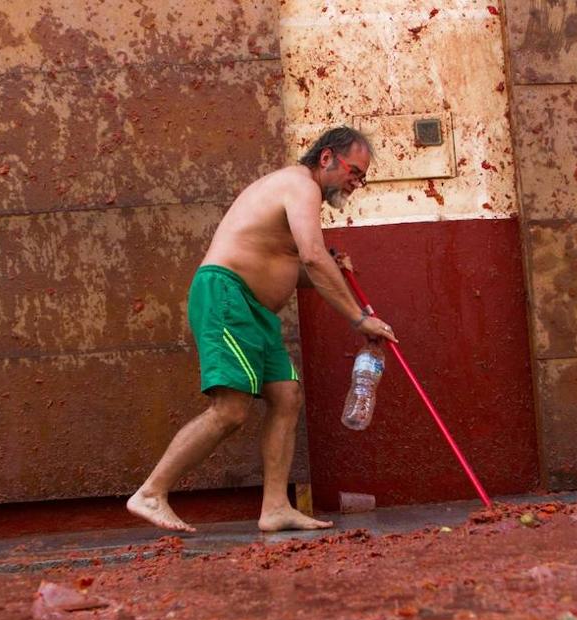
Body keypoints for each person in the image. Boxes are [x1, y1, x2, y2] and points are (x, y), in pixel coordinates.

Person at [127, 126, 396, 534]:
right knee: (231, 411)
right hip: (227, 297)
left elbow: (299, 269)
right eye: (354, 172)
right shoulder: (299, 185)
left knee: (286, 396)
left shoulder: (300, 195)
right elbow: (312, 256)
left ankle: (274, 507)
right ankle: (151, 492)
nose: (356, 183)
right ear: (326, 158)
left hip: (255, 311)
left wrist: (332, 272)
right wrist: (359, 318)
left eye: (361, 177)